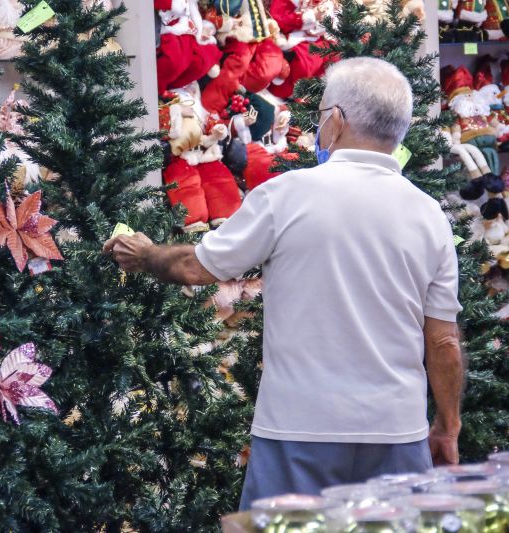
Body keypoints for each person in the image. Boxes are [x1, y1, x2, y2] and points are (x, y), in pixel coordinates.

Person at [102, 57, 464, 509]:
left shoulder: (287, 195)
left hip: (298, 428)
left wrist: (145, 253)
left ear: (336, 120)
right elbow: (444, 340)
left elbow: (198, 267)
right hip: (396, 433)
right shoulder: (429, 215)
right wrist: (447, 427)